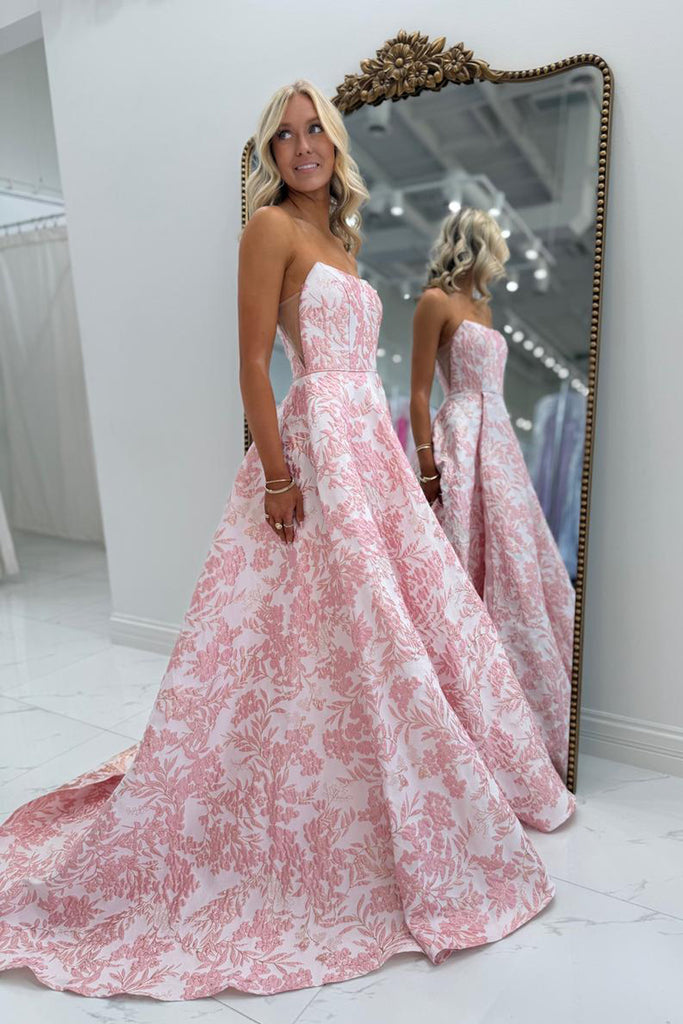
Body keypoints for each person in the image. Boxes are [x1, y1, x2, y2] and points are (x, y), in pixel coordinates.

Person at [0, 82, 575, 1002]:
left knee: (397, 620)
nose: (303, 146)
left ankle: (406, 783)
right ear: (271, 152)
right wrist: (276, 474)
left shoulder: (341, 241)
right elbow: (251, 363)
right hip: (318, 447)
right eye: (286, 135)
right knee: (348, 623)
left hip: (367, 446)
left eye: (316, 132)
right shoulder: (268, 228)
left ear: (334, 146)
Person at [410, 206, 576, 779]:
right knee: (464, 559)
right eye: (494, 246)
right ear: (475, 246)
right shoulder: (435, 302)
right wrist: (427, 466)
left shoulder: (484, 308)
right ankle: (460, 699)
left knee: (512, 560)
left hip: (499, 443)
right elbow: (419, 393)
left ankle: (514, 701)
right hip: (461, 435)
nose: (499, 258)